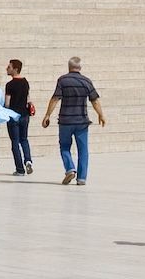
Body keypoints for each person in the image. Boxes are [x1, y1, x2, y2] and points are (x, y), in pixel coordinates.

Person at [41, 56, 106, 186]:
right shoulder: (86, 81)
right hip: (81, 121)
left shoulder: (62, 80)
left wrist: (47, 115)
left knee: (64, 147)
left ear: (69, 66)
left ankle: (70, 168)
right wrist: (101, 114)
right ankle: (81, 178)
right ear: (80, 67)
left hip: (65, 120)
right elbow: (94, 100)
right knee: (83, 150)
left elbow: (55, 99)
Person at [3, 58, 34, 174]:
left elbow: (7, 103)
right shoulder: (25, 82)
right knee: (24, 139)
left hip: (13, 116)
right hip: (25, 115)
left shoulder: (10, 85)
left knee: (15, 142)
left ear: (15, 69)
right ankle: (28, 160)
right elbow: (28, 98)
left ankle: (20, 169)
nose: (7, 68)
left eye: (9, 67)